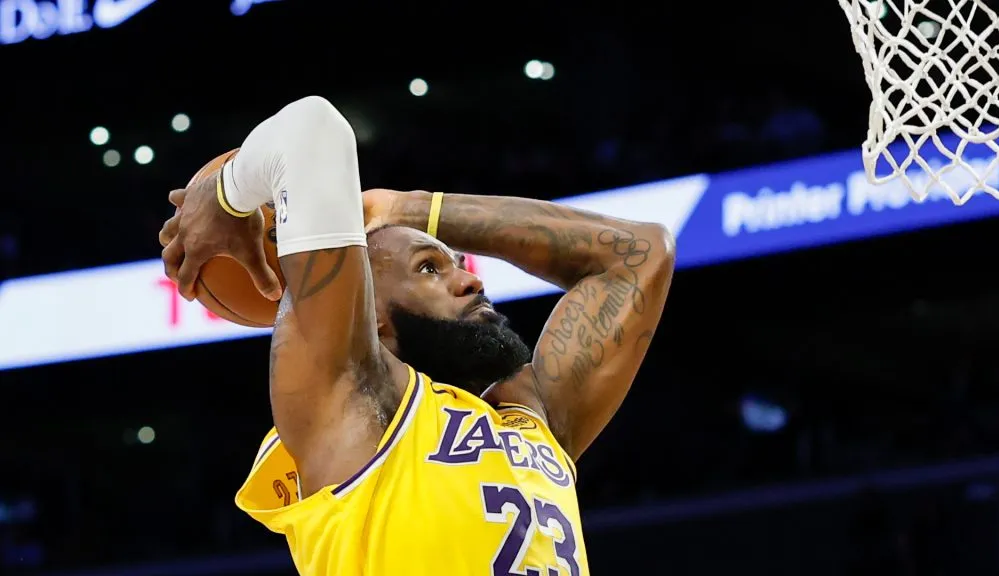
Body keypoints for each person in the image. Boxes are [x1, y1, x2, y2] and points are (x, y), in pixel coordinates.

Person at [159, 96, 675, 575]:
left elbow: (639, 254)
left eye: (457, 264)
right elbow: (312, 128)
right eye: (429, 268)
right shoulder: (349, 403)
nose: (472, 279)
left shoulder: (529, 419)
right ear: (369, 313)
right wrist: (226, 195)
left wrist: (409, 208)